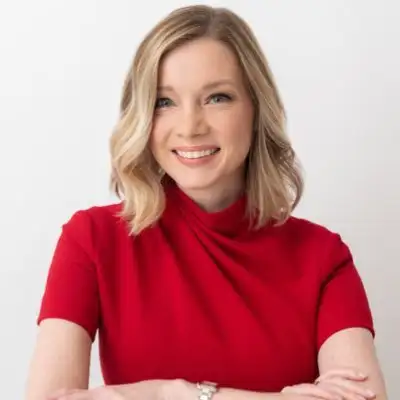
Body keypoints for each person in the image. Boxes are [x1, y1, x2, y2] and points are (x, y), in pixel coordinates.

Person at [25, 5, 388, 400]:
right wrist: (173, 393)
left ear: (256, 109)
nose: (190, 127)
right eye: (164, 102)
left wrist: (155, 396)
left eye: (217, 97)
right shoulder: (92, 239)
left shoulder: (322, 257)